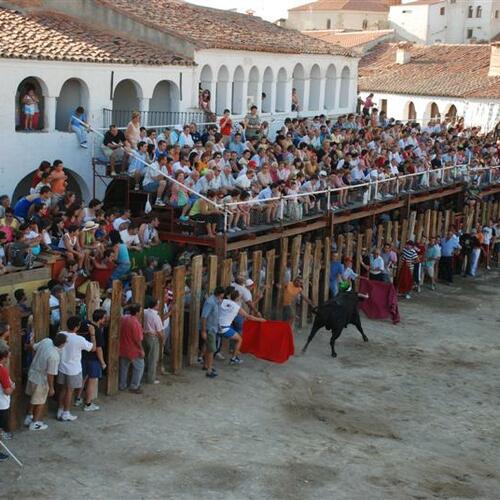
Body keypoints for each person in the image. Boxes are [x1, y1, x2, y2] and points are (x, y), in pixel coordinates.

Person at [24, 333, 67, 431]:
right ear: (62, 344)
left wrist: (30, 342)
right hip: (41, 379)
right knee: (40, 401)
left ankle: (28, 417)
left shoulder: (46, 341)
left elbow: (33, 347)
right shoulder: (54, 356)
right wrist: (51, 388)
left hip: (32, 373)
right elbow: (50, 374)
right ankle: (35, 423)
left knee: (32, 397)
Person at [57, 316, 95, 422]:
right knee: (70, 391)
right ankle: (66, 412)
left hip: (62, 367)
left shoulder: (61, 334)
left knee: (63, 389)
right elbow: (93, 348)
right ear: (77, 327)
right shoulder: (79, 339)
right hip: (73, 369)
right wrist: (92, 334)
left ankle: (60, 410)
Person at [219, 289, 265, 365]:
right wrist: (260, 320)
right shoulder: (237, 307)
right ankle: (233, 358)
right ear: (237, 298)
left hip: (217, 326)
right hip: (225, 328)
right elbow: (248, 316)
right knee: (239, 339)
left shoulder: (223, 301)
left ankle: (201, 357)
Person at [76, 309, 107, 412]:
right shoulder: (97, 331)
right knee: (92, 381)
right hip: (92, 359)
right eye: (104, 318)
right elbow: (98, 348)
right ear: (101, 319)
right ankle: (88, 404)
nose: (105, 319)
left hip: (81, 357)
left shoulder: (85, 324)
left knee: (82, 378)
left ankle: (77, 398)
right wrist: (102, 362)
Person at [119, 304, 144, 394]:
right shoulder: (136, 323)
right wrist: (141, 350)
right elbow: (138, 339)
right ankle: (134, 386)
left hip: (123, 347)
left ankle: (122, 385)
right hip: (133, 349)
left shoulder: (124, 318)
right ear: (137, 312)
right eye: (140, 310)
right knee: (139, 367)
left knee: (124, 367)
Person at [201, 286, 225, 378]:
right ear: (220, 294)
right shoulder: (210, 302)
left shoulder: (216, 301)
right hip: (209, 328)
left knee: (209, 348)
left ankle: (206, 365)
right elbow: (204, 317)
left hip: (213, 328)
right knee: (211, 349)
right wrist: (203, 331)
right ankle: (209, 370)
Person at [142, 298, 165, 385]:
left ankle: (144, 375)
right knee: (153, 359)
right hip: (153, 337)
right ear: (155, 306)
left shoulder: (145, 312)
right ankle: (151, 379)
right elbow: (159, 331)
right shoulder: (156, 316)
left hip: (145, 336)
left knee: (145, 357)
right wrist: (163, 340)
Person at [0, 345, 14, 453]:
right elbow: (7, 391)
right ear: (4, 357)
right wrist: (12, 387)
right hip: (2, 404)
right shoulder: (2, 371)